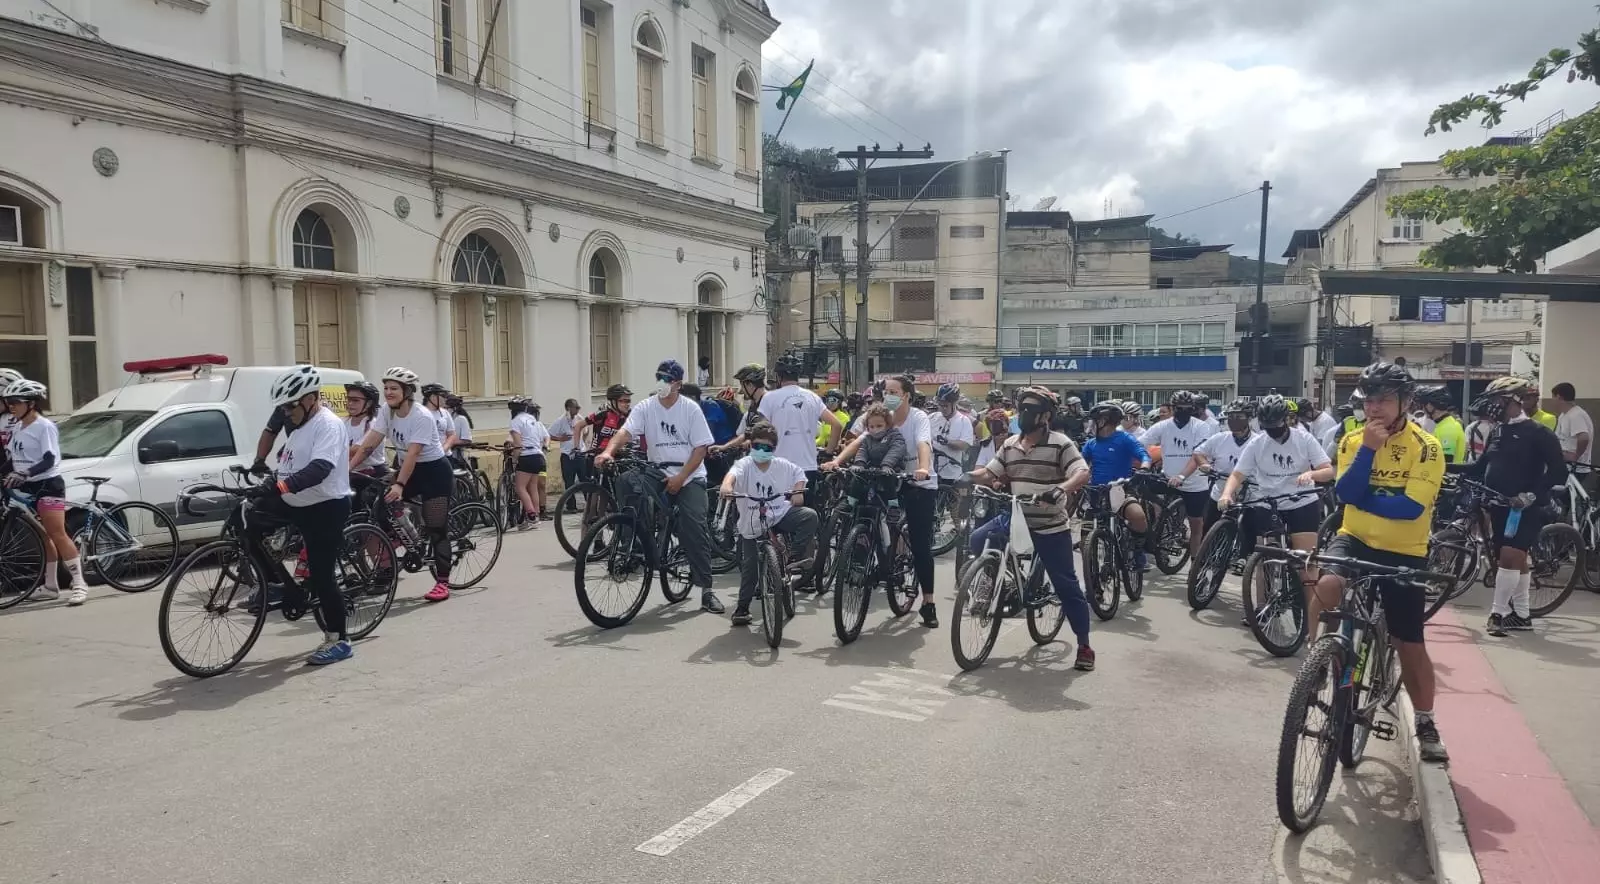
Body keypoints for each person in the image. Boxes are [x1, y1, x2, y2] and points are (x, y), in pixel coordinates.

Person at [1322, 361, 1449, 762]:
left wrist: (1364, 497)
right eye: (1368, 399)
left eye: (1384, 399)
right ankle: (1318, 663)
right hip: (1354, 539)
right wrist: (1369, 454)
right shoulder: (1352, 440)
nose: (1374, 408)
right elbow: (1345, 493)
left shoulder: (1426, 448)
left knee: (1407, 642)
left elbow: (1411, 508)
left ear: (1406, 402)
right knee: (1325, 586)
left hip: (1404, 552)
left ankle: (1427, 721)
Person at [970, 386, 1096, 671]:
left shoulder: (1061, 443)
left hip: (1050, 525)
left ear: (1046, 417)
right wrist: (966, 478)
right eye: (1022, 409)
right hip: (1016, 519)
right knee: (979, 539)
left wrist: (1060, 489)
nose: (1024, 415)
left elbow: (1082, 472)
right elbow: (990, 473)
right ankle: (1002, 581)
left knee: (1066, 585)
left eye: (1031, 410)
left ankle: (1085, 645)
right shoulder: (1011, 443)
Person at [244, 366, 356, 664]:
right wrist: (259, 470)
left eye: (289, 405)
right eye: (282, 406)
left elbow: (320, 469)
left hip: (325, 506)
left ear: (310, 399)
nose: (284, 412)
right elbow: (287, 460)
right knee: (249, 521)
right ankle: (278, 584)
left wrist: (280, 485)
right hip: (295, 501)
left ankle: (339, 639)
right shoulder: (299, 424)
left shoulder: (328, 425)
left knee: (322, 575)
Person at [595, 359, 722, 614]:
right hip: (657, 469)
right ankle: (636, 541)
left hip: (689, 474)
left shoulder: (690, 409)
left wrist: (681, 477)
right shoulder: (646, 406)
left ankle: (707, 590)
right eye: (659, 377)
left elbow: (700, 448)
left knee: (693, 526)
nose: (662, 382)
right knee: (626, 481)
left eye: (667, 379)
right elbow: (625, 432)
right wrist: (608, 452)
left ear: (677, 383)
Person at [824, 374, 939, 627]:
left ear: (906, 395)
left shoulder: (918, 418)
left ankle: (928, 602)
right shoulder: (879, 417)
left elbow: (923, 444)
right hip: (886, 479)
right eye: (886, 391)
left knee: (920, 543)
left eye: (894, 392)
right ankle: (869, 554)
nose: (888, 396)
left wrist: (923, 468)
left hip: (917, 481)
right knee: (866, 510)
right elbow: (859, 441)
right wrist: (837, 461)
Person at [1461, 377, 1568, 637]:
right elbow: (1478, 467)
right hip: (1498, 506)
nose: (1493, 406)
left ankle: (1497, 614)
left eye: (1498, 401)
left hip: (1525, 507)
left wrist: (1532, 495)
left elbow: (1559, 472)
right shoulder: (1497, 432)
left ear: (1515, 402)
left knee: (1509, 556)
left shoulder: (1540, 433)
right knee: (1514, 559)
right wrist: (1443, 468)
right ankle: (1521, 615)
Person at [1217, 395, 1333, 605]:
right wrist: (1227, 493)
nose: (1272, 430)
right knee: (1265, 556)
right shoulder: (1257, 443)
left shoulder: (1303, 438)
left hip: (1301, 501)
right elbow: (1237, 474)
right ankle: (1262, 606)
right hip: (1268, 502)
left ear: (1286, 420)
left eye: (1276, 425)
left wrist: (1312, 475)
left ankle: (1310, 611)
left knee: (1306, 560)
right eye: (1267, 426)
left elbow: (1328, 471)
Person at [353, 367, 456, 602]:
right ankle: (404, 537)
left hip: (434, 473)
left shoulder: (421, 416)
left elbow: (412, 454)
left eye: (394, 388)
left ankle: (442, 582)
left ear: (407, 391)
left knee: (436, 528)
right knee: (376, 499)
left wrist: (399, 484)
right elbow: (369, 443)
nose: (388, 392)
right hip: (411, 470)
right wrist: (347, 469)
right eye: (386, 388)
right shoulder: (387, 412)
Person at [2, 379, 91, 606]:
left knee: (57, 534)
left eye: (15, 402)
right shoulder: (18, 426)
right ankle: (50, 586)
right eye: (7, 402)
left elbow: (49, 458)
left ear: (31, 403)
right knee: (44, 536)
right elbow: (13, 460)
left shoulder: (44, 426)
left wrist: (25, 473)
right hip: (28, 486)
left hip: (48, 484)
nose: (11, 406)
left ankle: (80, 583)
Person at [720, 422, 818, 626]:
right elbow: (731, 476)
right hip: (752, 523)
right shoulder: (744, 464)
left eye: (767, 448)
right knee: (750, 567)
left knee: (809, 516)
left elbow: (799, 474)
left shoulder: (782, 465)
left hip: (778, 514)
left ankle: (793, 559)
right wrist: (727, 486)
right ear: (750, 445)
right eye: (757, 446)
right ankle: (742, 608)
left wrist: (798, 491)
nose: (762, 451)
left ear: (774, 449)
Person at [758, 355, 843, 510]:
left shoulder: (769, 398)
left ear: (778, 376)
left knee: (776, 515)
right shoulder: (812, 397)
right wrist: (829, 453)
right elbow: (837, 425)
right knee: (805, 517)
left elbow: (762, 431)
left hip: (778, 465)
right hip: (807, 466)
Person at [1080, 400, 1151, 569]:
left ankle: (1138, 550)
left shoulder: (1124, 438)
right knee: (1085, 534)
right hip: (1097, 492)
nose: (1091, 425)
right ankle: (1091, 575)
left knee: (1138, 516)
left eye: (1095, 420)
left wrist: (1145, 468)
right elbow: (1080, 465)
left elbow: (1144, 455)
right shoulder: (1091, 444)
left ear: (1105, 421)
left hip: (1121, 489)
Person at [1145, 390, 1214, 562]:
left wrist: (1182, 476)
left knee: (1196, 523)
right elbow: (1141, 443)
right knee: (1141, 490)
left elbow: (1197, 456)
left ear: (1192, 409)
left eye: (1187, 409)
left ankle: (1195, 562)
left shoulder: (1201, 426)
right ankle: (1158, 534)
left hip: (1194, 483)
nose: (1183, 412)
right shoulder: (1163, 426)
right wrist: (1143, 463)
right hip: (1168, 478)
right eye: (1179, 408)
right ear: (1173, 408)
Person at [1186, 398, 1257, 536]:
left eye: (1239, 417)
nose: (1234, 420)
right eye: (1231, 416)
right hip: (1220, 494)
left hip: (1249, 496)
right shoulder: (1220, 438)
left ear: (1248, 419)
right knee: (1207, 534)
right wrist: (1204, 464)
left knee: (1250, 536)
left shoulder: (1258, 441)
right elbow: (1198, 452)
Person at [507, 396, 551, 528]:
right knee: (532, 487)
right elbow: (543, 437)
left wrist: (515, 460)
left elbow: (518, 444)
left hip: (526, 456)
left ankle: (531, 514)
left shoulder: (516, 421)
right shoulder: (533, 420)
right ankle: (535, 516)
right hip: (538, 455)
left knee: (520, 487)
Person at [712, 362, 771, 453]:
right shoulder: (753, 406)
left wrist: (750, 441)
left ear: (750, 385)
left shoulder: (771, 403)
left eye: (742, 385)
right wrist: (724, 447)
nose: (741, 390)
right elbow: (745, 435)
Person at [1550, 382, 1593, 491]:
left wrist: (1575, 456)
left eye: (1553, 397)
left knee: (1564, 498)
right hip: (1566, 465)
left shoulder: (1576, 415)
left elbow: (1584, 437)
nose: (1552, 401)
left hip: (1576, 468)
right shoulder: (1564, 415)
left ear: (1559, 397)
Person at [929, 382, 974, 484]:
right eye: (940, 405)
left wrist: (947, 442)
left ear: (955, 403)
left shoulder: (964, 421)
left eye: (946, 405)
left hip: (951, 473)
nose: (942, 408)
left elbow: (965, 445)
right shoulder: (932, 418)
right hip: (931, 471)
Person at [577, 383, 633, 463]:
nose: (627, 404)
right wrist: (577, 447)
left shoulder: (629, 415)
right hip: (598, 457)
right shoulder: (603, 414)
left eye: (629, 401)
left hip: (618, 457)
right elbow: (578, 425)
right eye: (624, 401)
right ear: (613, 401)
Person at [343, 381, 388, 477]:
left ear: (369, 403)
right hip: (349, 473)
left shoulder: (374, 424)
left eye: (355, 400)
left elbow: (355, 451)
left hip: (373, 474)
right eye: (348, 399)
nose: (350, 403)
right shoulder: (342, 422)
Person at [549, 398, 584, 512]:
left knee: (585, 479)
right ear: (569, 408)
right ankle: (571, 505)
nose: (578, 409)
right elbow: (549, 434)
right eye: (576, 407)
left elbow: (587, 430)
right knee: (569, 481)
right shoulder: (561, 420)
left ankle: (589, 504)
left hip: (580, 453)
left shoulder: (580, 418)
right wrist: (560, 438)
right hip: (567, 454)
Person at [1416, 386, 1466, 465]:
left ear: (1429, 406)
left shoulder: (1448, 428)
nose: (1422, 410)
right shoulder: (1443, 424)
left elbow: (1446, 462)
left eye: (1422, 406)